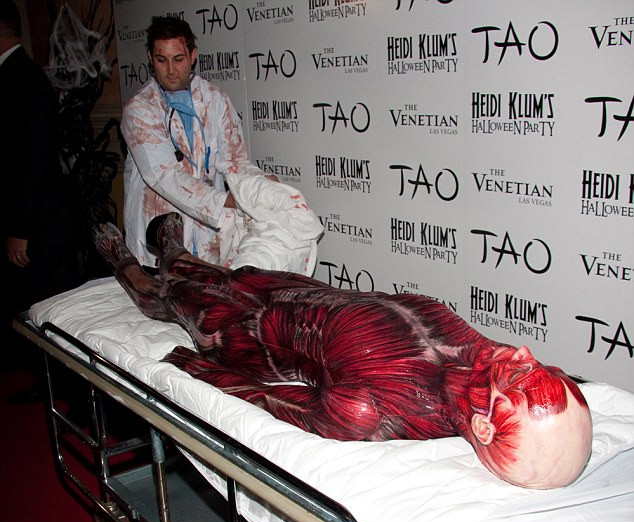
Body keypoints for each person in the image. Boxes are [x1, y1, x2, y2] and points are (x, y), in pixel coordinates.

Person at [93, 216, 594, 490]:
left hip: (253, 335)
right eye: (538, 365)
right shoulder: (477, 351)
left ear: (483, 427)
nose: (522, 352)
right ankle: (173, 250)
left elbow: (269, 400)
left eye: (519, 375)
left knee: (170, 297)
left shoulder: (372, 410)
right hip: (309, 295)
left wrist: (201, 369)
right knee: (226, 275)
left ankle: (125, 262)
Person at [121, 16, 271, 269]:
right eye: (162, 60)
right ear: (150, 58)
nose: (171, 70)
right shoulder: (139, 109)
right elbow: (164, 176)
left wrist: (257, 185)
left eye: (178, 59)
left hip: (205, 236)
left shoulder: (215, 99)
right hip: (157, 229)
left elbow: (235, 161)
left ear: (193, 56)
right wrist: (223, 202)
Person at [0, 0, 80, 393]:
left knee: (47, 306)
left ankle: (57, 384)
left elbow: (33, 162)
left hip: (39, 223)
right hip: (37, 218)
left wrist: (19, 229)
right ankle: (47, 380)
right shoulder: (18, 75)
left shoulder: (24, 79)